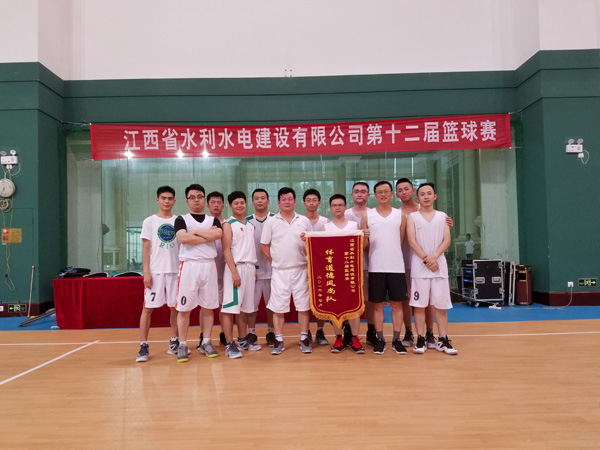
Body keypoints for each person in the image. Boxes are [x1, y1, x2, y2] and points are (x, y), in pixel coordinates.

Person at [406, 182, 458, 355]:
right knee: (419, 305)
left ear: (435, 196)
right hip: (420, 268)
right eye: (422, 194)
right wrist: (426, 259)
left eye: (429, 193)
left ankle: (443, 339)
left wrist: (434, 256)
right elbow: (412, 241)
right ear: (417, 198)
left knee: (441, 306)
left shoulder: (443, 217)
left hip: (439, 267)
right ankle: (420, 339)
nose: (426, 197)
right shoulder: (412, 217)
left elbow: (447, 240)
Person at [260, 187, 312, 355]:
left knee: (303, 306)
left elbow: (312, 244)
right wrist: (274, 260)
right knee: (278, 307)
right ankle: (278, 339)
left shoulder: (304, 220)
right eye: (284, 199)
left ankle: (304, 338)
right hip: (279, 271)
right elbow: (263, 244)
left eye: (290, 199)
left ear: (295, 202)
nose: (287, 202)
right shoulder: (271, 221)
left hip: (301, 269)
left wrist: (306, 240)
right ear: (278, 202)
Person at [174, 184, 223, 362]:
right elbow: (183, 238)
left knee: (208, 307)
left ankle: (206, 342)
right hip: (189, 266)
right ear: (187, 200)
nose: (196, 200)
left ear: (204, 200)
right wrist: (205, 235)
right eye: (192, 197)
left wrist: (194, 234)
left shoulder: (213, 220)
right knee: (184, 309)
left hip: (209, 266)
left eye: (200, 196)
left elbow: (217, 235)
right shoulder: (181, 219)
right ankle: (182, 344)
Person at [361, 181, 408, 355]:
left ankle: (396, 339)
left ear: (391, 193)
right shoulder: (367, 215)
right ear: (374, 195)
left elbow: (400, 240)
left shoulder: (400, 215)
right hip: (376, 267)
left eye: (386, 191)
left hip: (396, 267)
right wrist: (364, 239)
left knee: (397, 305)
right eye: (379, 192)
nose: (383, 194)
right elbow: (365, 245)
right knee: (377, 306)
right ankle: (380, 339)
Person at [136, 186, 181, 362]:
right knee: (147, 309)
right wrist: (146, 272)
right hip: (155, 272)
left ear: (174, 201)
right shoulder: (149, 221)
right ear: (157, 200)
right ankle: (143, 345)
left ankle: (175, 341)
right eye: (163, 198)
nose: (166, 201)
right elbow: (146, 248)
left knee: (175, 308)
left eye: (170, 198)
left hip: (175, 271)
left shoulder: (179, 221)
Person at [322, 194, 365, 354]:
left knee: (353, 305)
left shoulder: (354, 225)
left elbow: (362, 247)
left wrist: (365, 236)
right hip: (333, 273)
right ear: (330, 208)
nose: (338, 207)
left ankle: (355, 338)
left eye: (340, 204)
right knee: (336, 306)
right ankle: (338, 338)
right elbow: (319, 249)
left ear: (345, 207)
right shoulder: (325, 228)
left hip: (351, 272)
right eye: (334, 205)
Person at [221, 191, 262, 359]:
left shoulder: (250, 225)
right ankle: (229, 344)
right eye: (236, 203)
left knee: (245, 308)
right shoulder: (227, 224)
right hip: (235, 268)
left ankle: (242, 339)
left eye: (242, 202)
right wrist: (233, 272)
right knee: (230, 308)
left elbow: (250, 248)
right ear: (230, 206)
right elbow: (226, 249)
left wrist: (254, 270)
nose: (240, 205)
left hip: (250, 268)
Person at [344, 182, 374, 347]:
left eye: (363, 191)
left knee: (368, 300)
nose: (360, 194)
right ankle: (348, 331)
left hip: (370, 262)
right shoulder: (345, 213)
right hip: (348, 265)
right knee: (348, 299)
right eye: (356, 191)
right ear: (352, 195)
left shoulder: (373, 214)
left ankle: (371, 330)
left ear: (368, 195)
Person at [196, 191, 227, 348]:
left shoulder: (228, 224)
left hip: (225, 272)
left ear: (223, 205)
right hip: (206, 271)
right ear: (207, 205)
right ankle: (203, 336)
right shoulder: (203, 224)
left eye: (219, 202)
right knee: (205, 306)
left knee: (224, 306)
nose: (216, 205)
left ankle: (224, 334)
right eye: (213, 202)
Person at [246, 188, 276, 346]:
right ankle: (251, 333)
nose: (259, 200)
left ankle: (271, 332)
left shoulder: (276, 219)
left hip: (273, 269)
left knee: (272, 304)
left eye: (262, 198)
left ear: (268, 201)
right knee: (252, 305)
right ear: (252, 202)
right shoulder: (246, 221)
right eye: (256, 198)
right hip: (254, 271)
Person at [303, 188, 330, 346]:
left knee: (320, 297)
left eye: (314, 200)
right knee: (304, 300)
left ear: (319, 203)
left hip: (320, 266)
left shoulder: (326, 222)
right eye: (308, 200)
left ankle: (320, 330)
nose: (311, 203)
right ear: (304, 203)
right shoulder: (299, 221)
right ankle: (305, 330)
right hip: (303, 265)